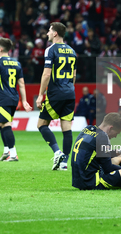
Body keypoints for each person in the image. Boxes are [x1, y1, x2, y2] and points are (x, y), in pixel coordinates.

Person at [36, 22, 77, 171]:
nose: (47, 33)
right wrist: (70, 88)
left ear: (55, 33)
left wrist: (41, 94)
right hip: (70, 93)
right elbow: (73, 75)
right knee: (66, 128)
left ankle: (57, 152)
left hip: (56, 93)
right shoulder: (72, 51)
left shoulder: (50, 50)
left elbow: (47, 74)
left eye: (49, 30)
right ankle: (64, 163)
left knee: (41, 125)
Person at [0, 37, 32, 162]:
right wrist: (25, 100)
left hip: (2, 98)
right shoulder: (17, 63)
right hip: (14, 98)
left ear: (0, 48)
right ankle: (6, 151)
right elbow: (21, 84)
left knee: (6, 124)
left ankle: (13, 153)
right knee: (1, 123)